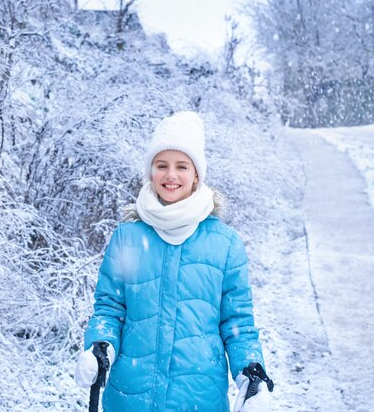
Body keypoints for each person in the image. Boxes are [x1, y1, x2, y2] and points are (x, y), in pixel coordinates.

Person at [74, 111, 273, 412]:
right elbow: (109, 309)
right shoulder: (127, 237)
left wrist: (250, 371)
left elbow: (237, 323)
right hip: (130, 398)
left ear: (196, 175)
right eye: (161, 165)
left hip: (198, 399)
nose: (171, 175)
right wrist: (101, 344)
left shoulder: (225, 243)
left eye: (182, 166)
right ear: (150, 172)